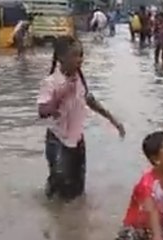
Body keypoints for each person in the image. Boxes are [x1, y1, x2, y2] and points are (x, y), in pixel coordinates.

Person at [37, 36, 125, 200]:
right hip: (57, 140)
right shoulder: (51, 82)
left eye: (81, 55)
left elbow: (89, 100)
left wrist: (113, 120)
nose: (80, 59)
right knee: (59, 188)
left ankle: (73, 221)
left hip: (76, 139)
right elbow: (42, 111)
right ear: (62, 58)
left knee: (77, 189)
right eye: (76, 55)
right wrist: (60, 96)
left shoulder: (79, 79)